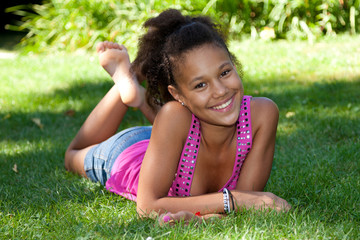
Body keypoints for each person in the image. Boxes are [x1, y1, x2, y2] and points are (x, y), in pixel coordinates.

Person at [64, 9, 291, 225]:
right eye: (200, 84)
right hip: (128, 151)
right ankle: (129, 81)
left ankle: (139, 95)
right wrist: (231, 200)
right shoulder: (173, 114)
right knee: (72, 155)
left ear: (234, 65)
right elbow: (148, 206)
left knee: (184, 117)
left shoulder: (263, 114)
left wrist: (215, 212)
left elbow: (249, 202)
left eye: (224, 72)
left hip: (173, 139)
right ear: (177, 95)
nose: (221, 90)